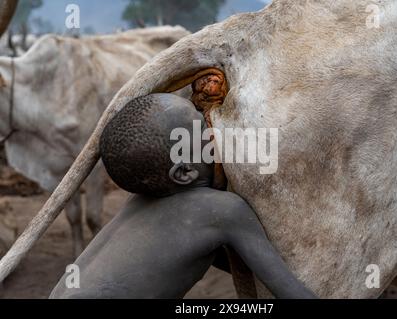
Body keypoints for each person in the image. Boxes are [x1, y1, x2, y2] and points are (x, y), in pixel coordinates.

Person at [50, 94, 316, 299]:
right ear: (185, 171)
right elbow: (290, 292)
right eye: (203, 125)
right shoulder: (222, 211)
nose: (214, 123)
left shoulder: (141, 203)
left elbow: (213, 257)